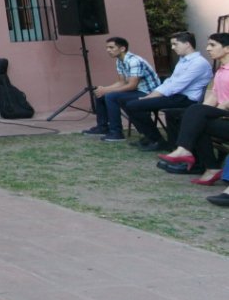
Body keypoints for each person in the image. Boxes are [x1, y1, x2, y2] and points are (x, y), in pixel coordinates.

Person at [159, 34, 229, 188]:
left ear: (227, 48)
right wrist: (202, 111)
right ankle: (209, 166)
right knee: (194, 117)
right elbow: (214, 96)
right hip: (223, 116)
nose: (207, 48)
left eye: (212, 45)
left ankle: (185, 151)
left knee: (197, 116)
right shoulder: (221, 71)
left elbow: (223, 103)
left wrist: (221, 107)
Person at [128, 32, 214, 154]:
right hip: (176, 96)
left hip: (187, 99)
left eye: (175, 44)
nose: (172, 48)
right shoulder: (183, 60)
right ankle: (153, 138)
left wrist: (149, 98)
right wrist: (151, 96)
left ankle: (157, 141)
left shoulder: (198, 63)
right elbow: (170, 81)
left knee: (134, 105)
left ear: (187, 44)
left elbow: (176, 85)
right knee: (130, 103)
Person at [90, 36, 161, 140]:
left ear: (122, 48)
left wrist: (107, 90)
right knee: (100, 95)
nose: (108, 50)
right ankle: (102, 127)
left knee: (111, 96)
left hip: (149, 93)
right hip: (136, 90)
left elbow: (132, 85)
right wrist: (104, 89)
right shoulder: (119, 61)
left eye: (111, 47)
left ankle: (116, 133)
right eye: (107, 48)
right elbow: (121, 82)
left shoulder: (134, 61)